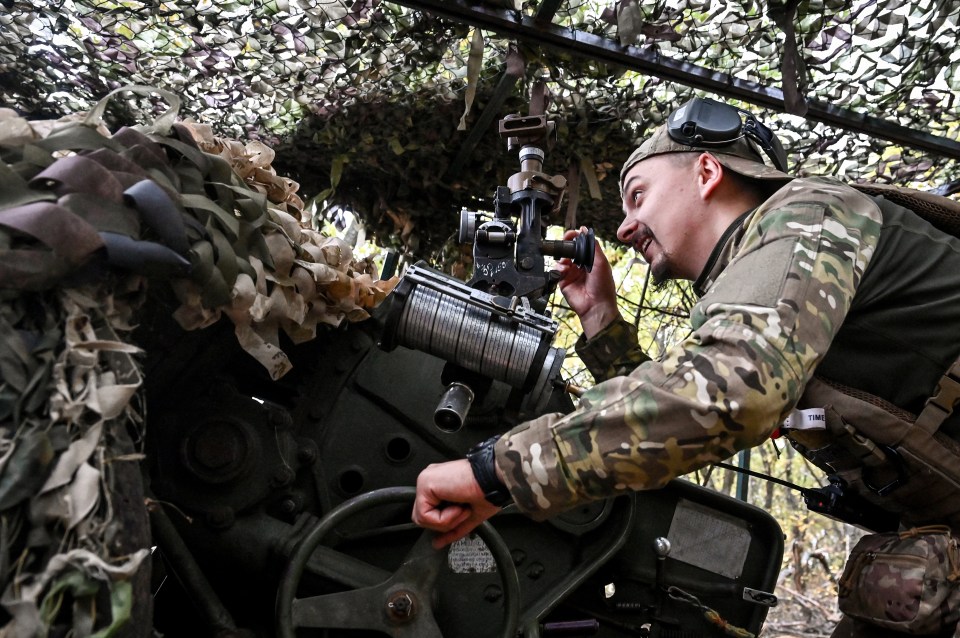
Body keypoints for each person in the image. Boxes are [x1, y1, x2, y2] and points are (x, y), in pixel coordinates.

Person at [412, 97, 960, 637]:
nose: (626, 228)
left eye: (638, 196)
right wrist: (602, 317)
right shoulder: (769, 281)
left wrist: (499, 472)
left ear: (706, 171)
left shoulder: (812, 212)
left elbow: (731, 392)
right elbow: (680, 421)